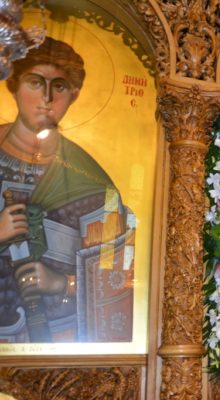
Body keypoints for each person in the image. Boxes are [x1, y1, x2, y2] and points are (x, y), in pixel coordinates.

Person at [0, 37, 134, 343]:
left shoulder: (91, 182)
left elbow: (120, 277)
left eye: (58, 86)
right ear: (13, 85)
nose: (47, 98)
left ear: (73, 95)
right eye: (35, 82)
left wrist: (62, 283)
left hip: (59, 338)